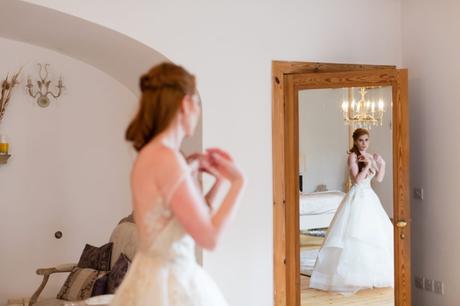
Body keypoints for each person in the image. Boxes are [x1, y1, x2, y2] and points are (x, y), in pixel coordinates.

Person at [110, 63, 245, 306]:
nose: (198, 111)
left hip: (149, 277)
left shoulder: (150, 155)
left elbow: (195, 218)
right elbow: (209, 238)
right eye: (197, 104)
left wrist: (218, 181)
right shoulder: (167, 159)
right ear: (185, 104)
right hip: (171, 281)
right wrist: (238, 182)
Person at [309, 128, 393, 294]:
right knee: (353, 235)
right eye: (361, 140)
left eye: (366, 140)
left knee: (373, 236)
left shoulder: (368, 155)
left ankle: (371, 275)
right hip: (358, 196)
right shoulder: (353, 156)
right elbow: (357, 180)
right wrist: (367, 165)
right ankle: (350, 276)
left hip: (370, 197)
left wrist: (381, 163)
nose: (364, 143)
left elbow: (379, 178)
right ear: (355, 141)